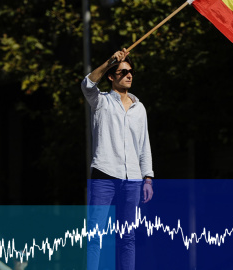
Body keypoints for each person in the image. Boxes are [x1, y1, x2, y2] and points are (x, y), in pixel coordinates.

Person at [81, 48, 154, 270]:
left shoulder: (139, 108)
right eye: (123, 72)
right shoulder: (101, 101)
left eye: (130, 72)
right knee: (95, 234)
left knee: (128, 236)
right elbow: (87, 84)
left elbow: (144, 144)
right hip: (104, 175)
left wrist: (148, 177)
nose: (129, 75)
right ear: (112, 77)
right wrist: (111, 60)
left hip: (131, 179)